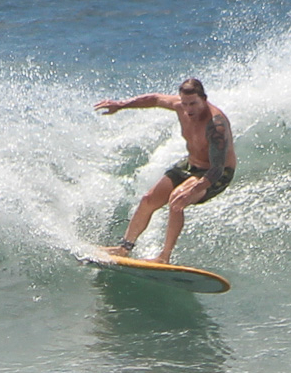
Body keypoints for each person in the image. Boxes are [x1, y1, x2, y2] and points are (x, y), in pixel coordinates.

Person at [94, 77, 236, 264]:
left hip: (217, 173)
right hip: (191, 164)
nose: (188, 109)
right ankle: (123, 248)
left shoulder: (216, 125)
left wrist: (193, 191)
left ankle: (164, 257)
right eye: (185, 104)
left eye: (193, 103)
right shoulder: (180, 106)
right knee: (148, 199)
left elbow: (217, 169)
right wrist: (121, 105)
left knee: (177, 200)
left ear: (204, 98)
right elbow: (154, 99)